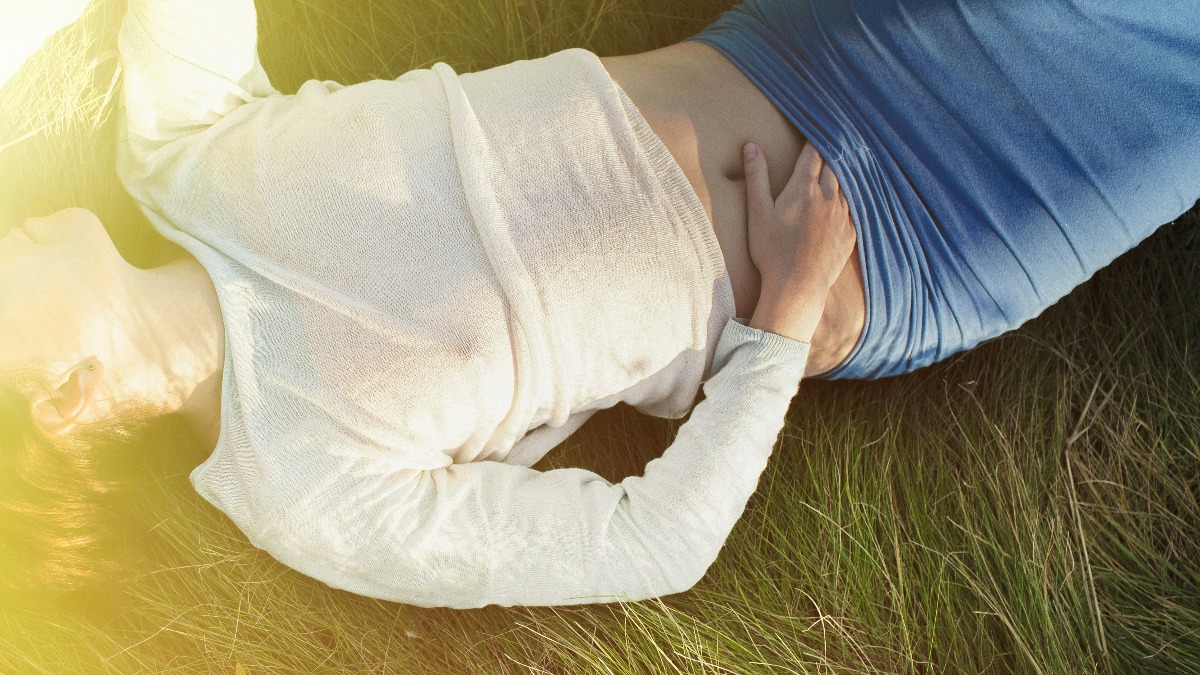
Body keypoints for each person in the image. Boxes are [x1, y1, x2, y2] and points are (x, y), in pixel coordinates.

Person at [1, 0, 1196, 608]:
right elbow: (654, 545)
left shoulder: (181, 159)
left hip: (807, 48)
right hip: (917, 225)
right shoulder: (305, 483)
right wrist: (778, 323)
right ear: (64, 405)